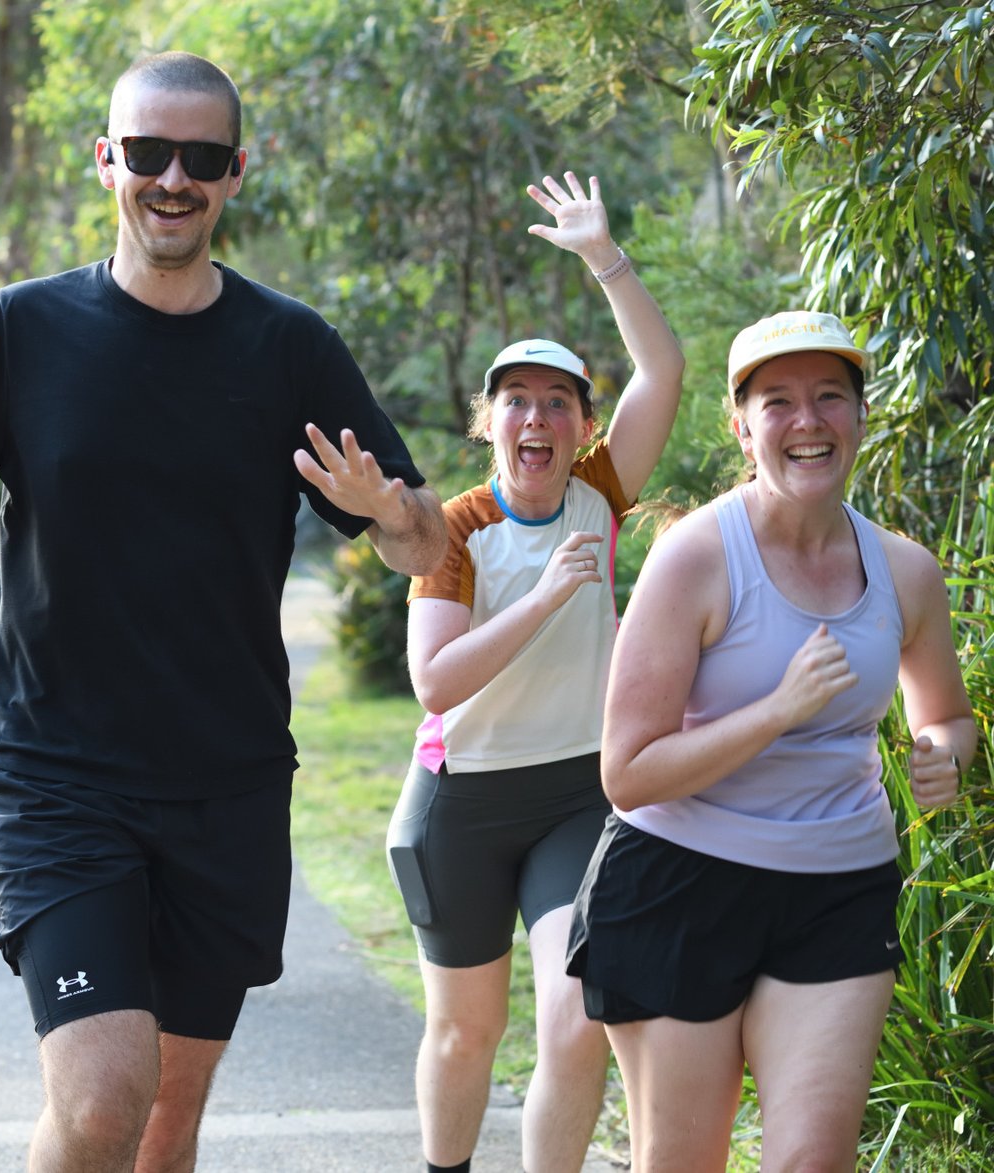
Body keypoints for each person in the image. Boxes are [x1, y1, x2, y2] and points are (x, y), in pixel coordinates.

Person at [0, 50, 446, 1173]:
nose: (173, 178)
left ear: (235, 174)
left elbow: (426, 547)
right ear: (105, 159)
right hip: (59, 780)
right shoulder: (24, 331)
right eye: (148, 152)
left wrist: (389, 511)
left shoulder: (289, 347)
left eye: (200, 158)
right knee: (108, 1094)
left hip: (230, 786)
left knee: (165, 1123)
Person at [566, 310, 976, 1171]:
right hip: (677, 884)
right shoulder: (696, 558)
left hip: (837, 887)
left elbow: (947, 713)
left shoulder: (905, 571)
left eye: (831, 397)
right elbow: (627, 772)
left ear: (861, 418)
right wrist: (776, 711)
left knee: (810, 1161)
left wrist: (943, 753)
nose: (808, 421)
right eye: (778, 401)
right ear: (742, 427)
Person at [387, 171, 685, 1173]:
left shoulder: (603, 494)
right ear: (490, 425)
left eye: (559, 403)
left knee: (572, 1024)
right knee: (466, 1033)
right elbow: (434, 683)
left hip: (574, 794)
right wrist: (552, 595)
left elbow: (665, 372)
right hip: (459, 802)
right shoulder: (455, 529)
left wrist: (604, 257)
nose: (537, 419)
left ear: (582, 429)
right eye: (516, 401)